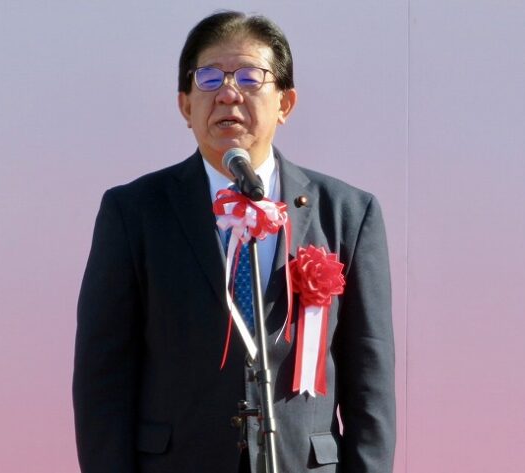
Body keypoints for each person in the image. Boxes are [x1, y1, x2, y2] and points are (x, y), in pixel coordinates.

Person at [73, 11, 395, 473]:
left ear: (285, 103)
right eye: (209, 78)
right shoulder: (134, 212)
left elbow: (371, 382)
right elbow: (102, 379)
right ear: (185, 105)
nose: (227, 93)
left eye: (249, 77)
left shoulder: (347, 213)